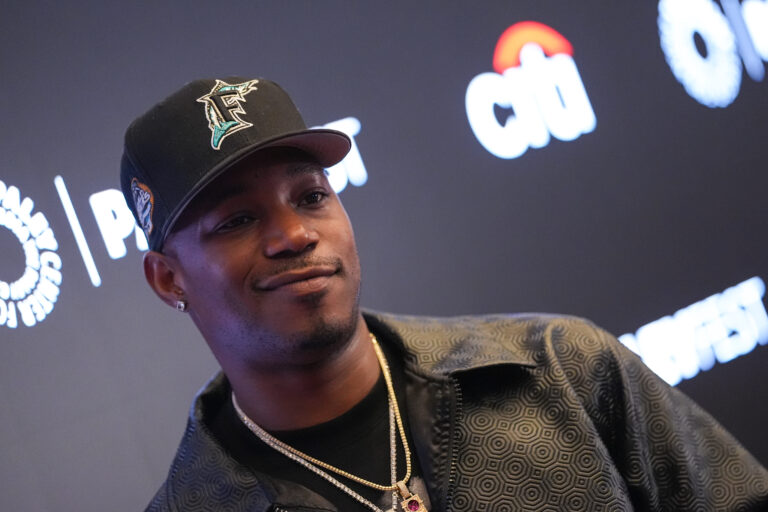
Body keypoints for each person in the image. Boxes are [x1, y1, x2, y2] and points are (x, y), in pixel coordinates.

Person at [120, 77, 768, 512]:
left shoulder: (559, 367)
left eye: (311, 196)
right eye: (237, 220)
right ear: (168, 278)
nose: (294, 234)